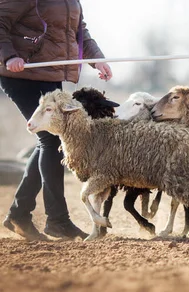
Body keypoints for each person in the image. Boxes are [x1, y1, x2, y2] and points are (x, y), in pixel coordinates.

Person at [0, 0, 112, 240]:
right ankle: (57, 220)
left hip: (50, 74)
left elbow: (79, 31)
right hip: (22, 75)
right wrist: (9, 56)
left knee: (48, 142)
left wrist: (97, 59)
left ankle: (20, 215)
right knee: (51, 141)